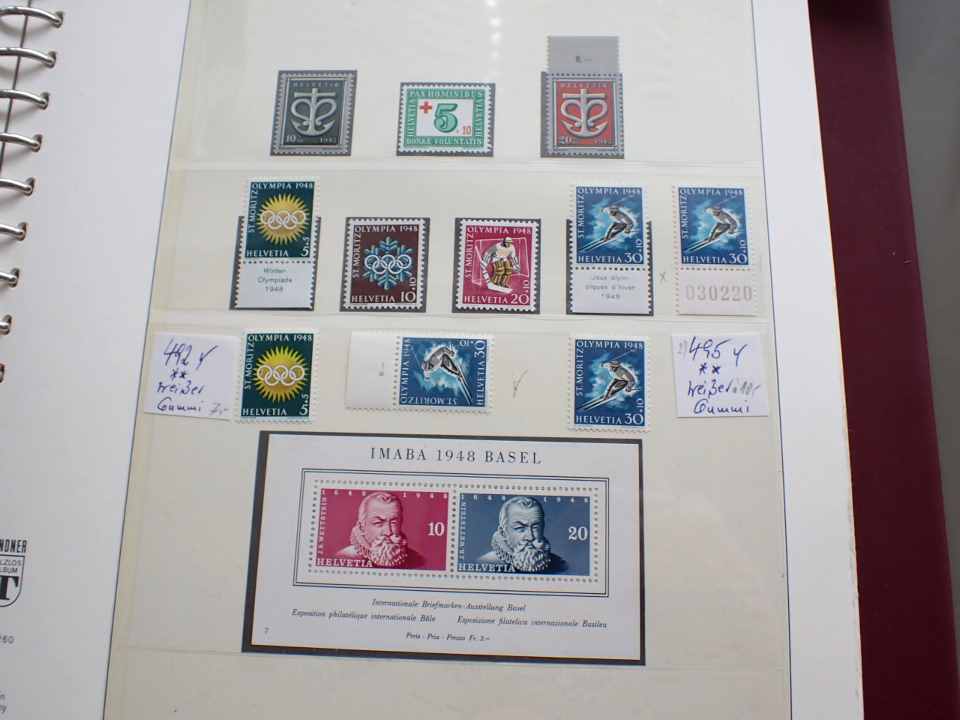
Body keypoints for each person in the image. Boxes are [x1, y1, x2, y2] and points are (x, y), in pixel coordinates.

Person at [477, 496, 566, 573]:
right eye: (520, 528)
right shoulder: (485, 563)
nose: (530, 537)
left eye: (535, 527)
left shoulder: (560, 565)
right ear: (503, 533)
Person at [336, 492, 423, 568]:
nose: (388, 532)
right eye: (378, 523)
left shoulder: (416, 560)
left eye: (394, 522)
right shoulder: (345, 557)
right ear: (362, 527)